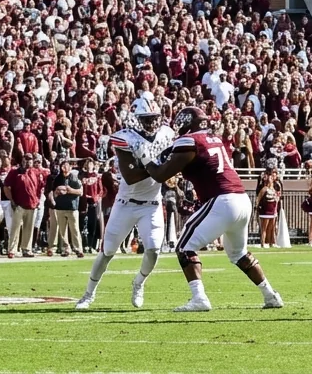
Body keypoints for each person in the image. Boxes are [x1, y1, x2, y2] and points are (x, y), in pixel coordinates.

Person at [143, 106, 284, 312]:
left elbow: (161, 174)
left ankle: (199, 298)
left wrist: (145, 159)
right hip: (241, 199)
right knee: (239, 254)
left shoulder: (189, 141)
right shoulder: (214, 139)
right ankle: (271, 295)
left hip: (222, 200)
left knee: (184, 246)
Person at [76, 108, 176, 310]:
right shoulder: (125, 139)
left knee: (154, 250)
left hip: (152, 204)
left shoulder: (166, 134)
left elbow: (173, 163)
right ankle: (89, 294)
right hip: (126, 204)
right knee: (107, 252)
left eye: (154, 119)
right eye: (146, 119)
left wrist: (167, 168)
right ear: (135, 120)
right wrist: (159, 169)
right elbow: (131, 176)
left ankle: (139, 283)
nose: (151, 123)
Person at [49, 160, 84, 257]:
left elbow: (80, 192)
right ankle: (66, 248)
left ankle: (78, 249)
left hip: (72, 207)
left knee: (75, 229)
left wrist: (70, 190)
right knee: (62, 230)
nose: (64, 167)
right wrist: (56, 194)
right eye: (63, 165)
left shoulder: (75, 178)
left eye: (66, 165)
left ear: (70, 167)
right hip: (60, 207)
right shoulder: (58, 179)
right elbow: (53, 191)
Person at [257, 172, 281, 248]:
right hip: (265, 211)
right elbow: (258, 199)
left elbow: (276, 199)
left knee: (272, 227)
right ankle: (263, 243)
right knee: (264, 227)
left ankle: (271, 242)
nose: (272, 179)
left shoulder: (273, 189)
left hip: (272, 210)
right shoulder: (264, 189)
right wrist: (258, 207)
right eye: (270, 178)